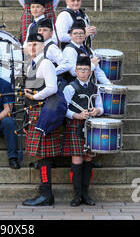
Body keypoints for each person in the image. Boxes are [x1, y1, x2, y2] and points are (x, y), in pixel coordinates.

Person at [22, 33, 61, 206]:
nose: (32, 47)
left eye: (36, 44)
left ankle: (47, 195)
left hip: (43, 112)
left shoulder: (45, 63)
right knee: (40, 155)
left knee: (43, 156)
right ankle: (45, 192)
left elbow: (52, 88)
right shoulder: (32, 64)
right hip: (34, 112)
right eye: (30, 44)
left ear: (43, 46)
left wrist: (36, 96)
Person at [62, 56, 104, 207]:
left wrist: (96, 111)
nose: (83, 72)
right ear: (75, 71)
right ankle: (77, 195)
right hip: (75, 125)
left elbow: (101, 107)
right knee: (77, 159)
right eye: (80, 69)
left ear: (90, 72)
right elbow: (63, 108)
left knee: (88, 160)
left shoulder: (95, 87)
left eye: (86, 69)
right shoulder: (70, 87)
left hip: (90, 127)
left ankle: (86, 194)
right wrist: (77, 115)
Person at [37, 17, 71, 90]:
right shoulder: (39, 46)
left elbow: (66, 65)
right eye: (39, 30)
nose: (41, 32)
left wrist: (51, 73)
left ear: (51, 33)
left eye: (45, 30)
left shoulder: (51, 48)